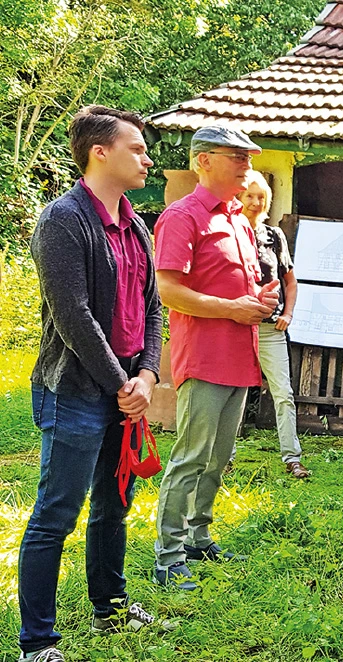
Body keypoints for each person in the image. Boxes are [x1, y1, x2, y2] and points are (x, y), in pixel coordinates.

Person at [18, 105, 168, 661]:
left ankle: (110, 608)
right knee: (56, 513)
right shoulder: (61, 221)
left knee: (115, 505)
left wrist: (148, 374)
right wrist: (121, 385)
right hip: (78, 391)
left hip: (127, 388)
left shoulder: (136, 224)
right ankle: (37, 643)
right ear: (99, 152)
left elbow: (152, 308)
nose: (147, 157)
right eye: (137, 147)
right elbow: (73, 315)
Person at [152, 126, 279, 590]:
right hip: (203, 357)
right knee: (191, 456)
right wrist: (234, 308)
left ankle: (197, 537)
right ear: (203, 161)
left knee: (219, 456)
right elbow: (169, 290)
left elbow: (238, 287)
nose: (247, 166)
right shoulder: (182, 216)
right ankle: (167, 556)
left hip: (241, 356)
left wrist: (260, 298)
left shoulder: (239, 219)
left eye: (249, 158)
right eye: (237, 157)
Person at [233, 170, 309, 478]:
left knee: (283, 392)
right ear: (239, 197)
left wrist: (288, 314)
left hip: (270, 328)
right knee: (233, 392)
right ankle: (227, 456)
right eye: (249, 195)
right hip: (236, 326)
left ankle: (292, 458)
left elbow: (290, 282)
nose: (255, 201)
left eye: (261, 197)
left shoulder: (274, 236)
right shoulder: (230, 232)